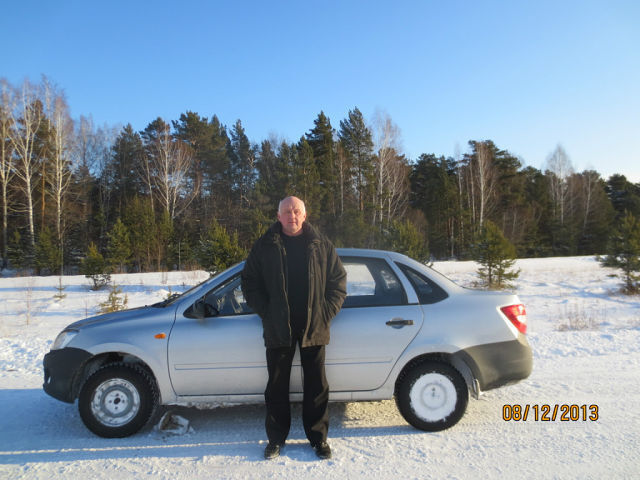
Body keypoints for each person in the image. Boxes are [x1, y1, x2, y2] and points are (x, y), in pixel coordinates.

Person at [241, 196, 347, 460]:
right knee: (276, 387)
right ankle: (276, 439)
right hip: (279, 327)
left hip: (314, 326)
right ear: (278, 216)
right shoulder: (265, 245)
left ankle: (318, 439)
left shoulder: (321, 245)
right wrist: (267, 312)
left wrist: (325, 313)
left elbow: (338, 282)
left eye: (296, 210)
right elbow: (249, 282)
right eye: (287, 211)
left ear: (304, 214)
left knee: (316, 386)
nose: (292, 215)